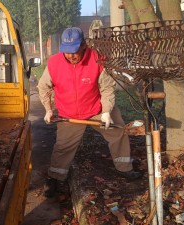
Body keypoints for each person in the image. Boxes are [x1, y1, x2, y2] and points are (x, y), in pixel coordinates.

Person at [37, 27, 141, 198]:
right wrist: (48, 109)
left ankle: (124, 169)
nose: (71, 55)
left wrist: (106, 111)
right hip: (68, 113)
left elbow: (107, 88)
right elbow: (43, 87)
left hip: (96, 108)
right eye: (67, 51)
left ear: (84, 45)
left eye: (75, 51)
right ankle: (55, 178)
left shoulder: (97, 59)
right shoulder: (54, 63)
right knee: (63, 147)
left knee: (118, 130)